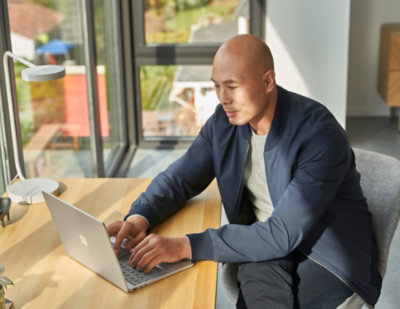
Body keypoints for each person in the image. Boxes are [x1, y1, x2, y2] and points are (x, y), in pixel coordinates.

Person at [107, 34, 382, 308]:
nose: (223, 99)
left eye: (232, 86)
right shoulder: (224, 123)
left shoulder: (319, 134)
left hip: (327, 256)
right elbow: (181, 177)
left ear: (267, 81)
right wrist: (140, 217)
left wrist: (186, 246)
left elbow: (283, 234)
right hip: (263, 241)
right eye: (216, 86)